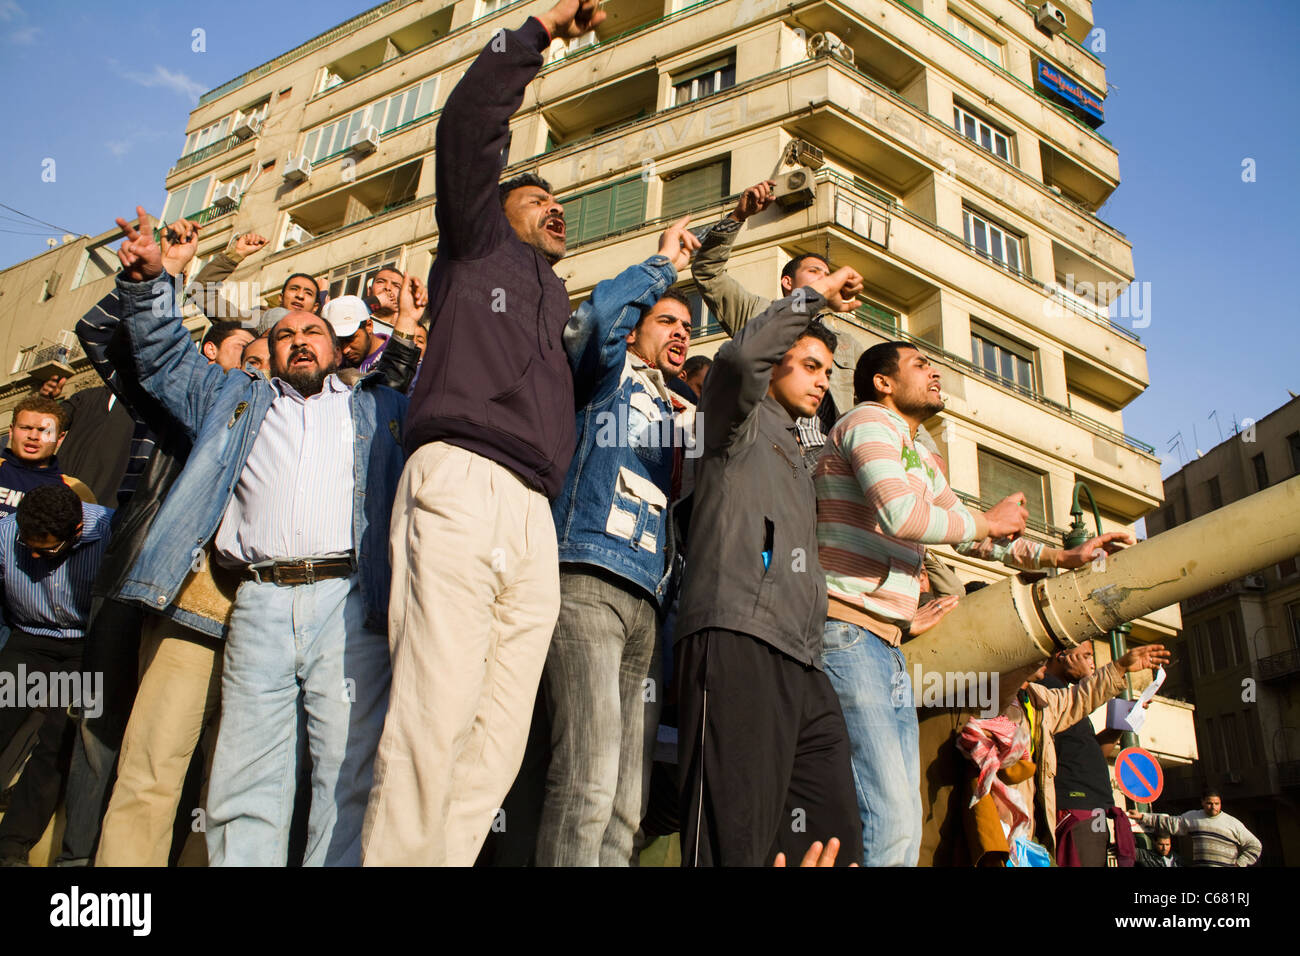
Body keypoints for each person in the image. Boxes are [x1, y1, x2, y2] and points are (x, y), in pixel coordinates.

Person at [362, 0, 606, 867]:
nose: (555, 211)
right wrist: (536, 29)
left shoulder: (558, 300)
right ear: (496, 208)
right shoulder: (473, 248)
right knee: (434, 711)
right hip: (460, 478)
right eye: (537, 198)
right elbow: (470, 122)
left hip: (535, 514)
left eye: (559, 205)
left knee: (497, 740)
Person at [106, 205, 411, 866]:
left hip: (349, 606)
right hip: (259, 603)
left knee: (348, 772)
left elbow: (433, 382)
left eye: (315, 332)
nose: (301, 339)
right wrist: (150, 281)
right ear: (269, 352)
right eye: (287, 334)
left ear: (337, 349)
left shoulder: (377, 407)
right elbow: (161, 358)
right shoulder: (234, 402)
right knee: (246, 777)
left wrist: (415, 325)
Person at [814, 340, 1131, 865]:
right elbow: (901, 515)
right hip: (849, 633)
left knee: (899, 822)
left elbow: (973, 535)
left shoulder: (915, 448)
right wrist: (988, 522)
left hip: (886, 642)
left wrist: (1061, 556)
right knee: (891, 819)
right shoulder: (868, 422)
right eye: (921, 366)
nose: (935, 374)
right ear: (882, 383)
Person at [675, 264, 866, 867]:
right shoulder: (732, 422)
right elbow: (738, 362)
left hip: (805, 659)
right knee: (734, 841)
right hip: (736, 636)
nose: (821, 382)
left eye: (827, 373)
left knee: (834, 840)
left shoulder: (804, 452)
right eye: (810, 366)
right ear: (778, 359)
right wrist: (811, 302)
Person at [535, 219, 698, 867]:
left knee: (627, 803)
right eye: (666, 321)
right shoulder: (605, 377)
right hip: (587, 580)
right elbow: (597, 315)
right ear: (636, 330)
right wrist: (663, 262)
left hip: (648, 606)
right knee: (588, 781)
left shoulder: (678, 413)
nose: (681, 331)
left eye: (689, 326)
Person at [691, 178, 842, 468]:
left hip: (826, 465)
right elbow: (707, 273)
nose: (825, 278)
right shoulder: (757, 314)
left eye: (828, 273)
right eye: (814, 271)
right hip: (764, 449)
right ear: (787, 282)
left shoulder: (844, 344)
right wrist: (738, 217)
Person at [0, 485, 113, 865]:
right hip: (29, 638)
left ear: (77, 532)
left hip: (84, 645)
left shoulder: (110, 531)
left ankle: (11, 847)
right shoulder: (8, 531)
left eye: (45, 549)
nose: (32, 554)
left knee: (56, 742)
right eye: (26, 544)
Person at [1037, 641, 1137, 866]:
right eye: (1086, 655)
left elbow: (1092, 754)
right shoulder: (1048, 691)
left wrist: (1119, 726)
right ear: (1062, 655)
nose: (1092, 663)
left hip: (1091, 807)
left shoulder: (1066, 696)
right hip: (1074, 806)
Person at [0, 396, 94, 518]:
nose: (33, 436)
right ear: (11, 431)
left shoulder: (77, 491)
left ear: (59, 438)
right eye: (25, 428)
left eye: (44, 431)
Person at [1130, 790, 1262, 867]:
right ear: (1203, 802)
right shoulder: (1194, 817)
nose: (1213, 807)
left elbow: (1255, 846)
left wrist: (1240, 864)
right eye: (1209, 803)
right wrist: (1142, 816)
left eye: (1217, 803)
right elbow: (1170, 823)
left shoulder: (1233, 823)